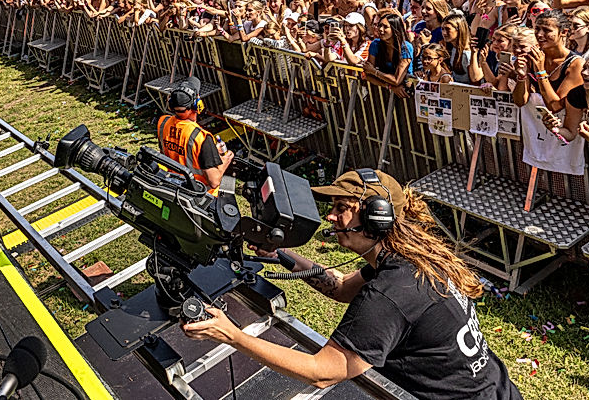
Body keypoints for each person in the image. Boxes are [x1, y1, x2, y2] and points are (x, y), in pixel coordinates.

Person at [182, 169, 523, 400]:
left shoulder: (392, 294)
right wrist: (281, 254)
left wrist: (231, 334)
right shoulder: (412, 258)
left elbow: (323, 372)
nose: (331, 217)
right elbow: (343, 286)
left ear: (376, 218)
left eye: (342, 208)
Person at [157, 76, 233, 195]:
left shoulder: (163, 123)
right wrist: (225, 161)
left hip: (174, 185)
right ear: (197, 105)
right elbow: (214, 181)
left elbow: (180, 151)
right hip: (199, 195)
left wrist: (211, 151)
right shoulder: (201, 138)